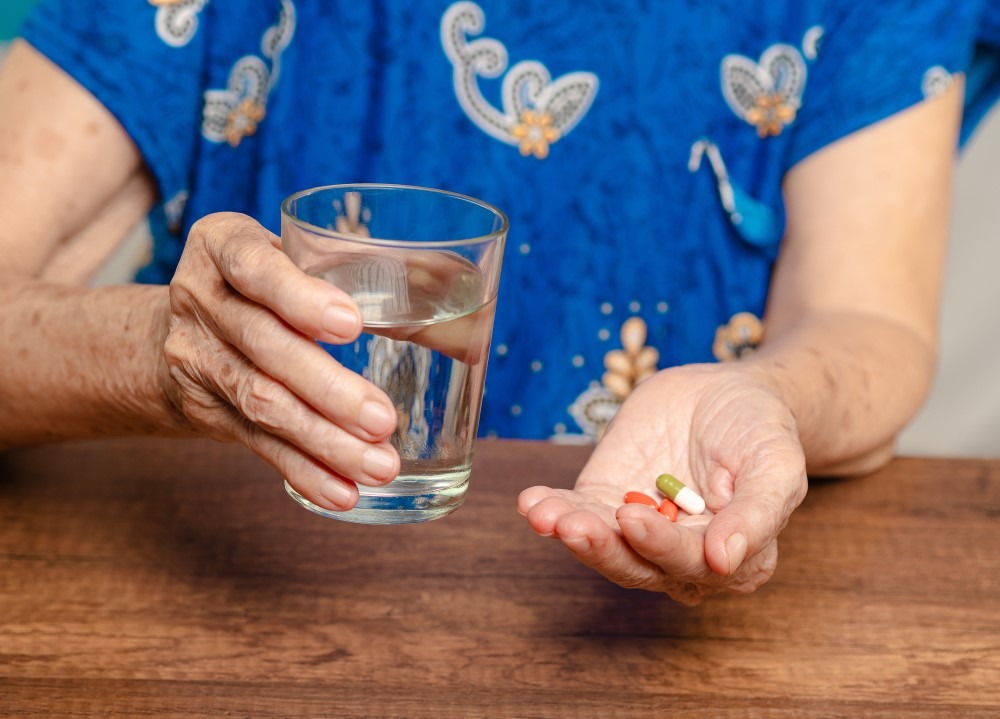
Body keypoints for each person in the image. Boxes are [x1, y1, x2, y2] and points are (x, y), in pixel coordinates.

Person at [0, 0, 996, 605]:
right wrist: (160, 349)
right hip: (242, 608)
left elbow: (871, 320)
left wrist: (770, 397)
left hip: (646, 645)